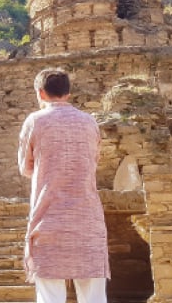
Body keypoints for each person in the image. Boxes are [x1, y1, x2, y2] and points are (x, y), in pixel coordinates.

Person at [17, 68, 109, 303]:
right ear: (68, 93)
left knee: (50, 298)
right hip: (88, 221)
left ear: (40, 93)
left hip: (49, 221)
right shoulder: (90, 123)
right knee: (94, 298)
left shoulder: (35, 121)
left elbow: (26, 168)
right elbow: (94, 161)